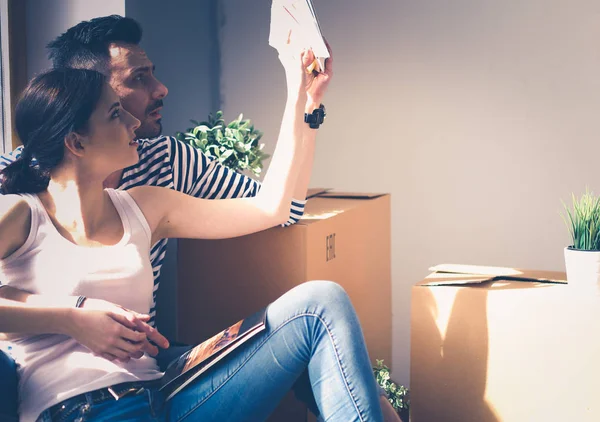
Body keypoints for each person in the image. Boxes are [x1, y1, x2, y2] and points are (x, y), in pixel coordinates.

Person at [0, 38, 384, 422]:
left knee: (321, 303)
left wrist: (302, 96)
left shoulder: (145, 204)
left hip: (165, 398)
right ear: (75, 142)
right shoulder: (21, 212)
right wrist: (72, 317)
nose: (134, 121)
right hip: (78, 408)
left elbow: (273, 206)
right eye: (116, 114)